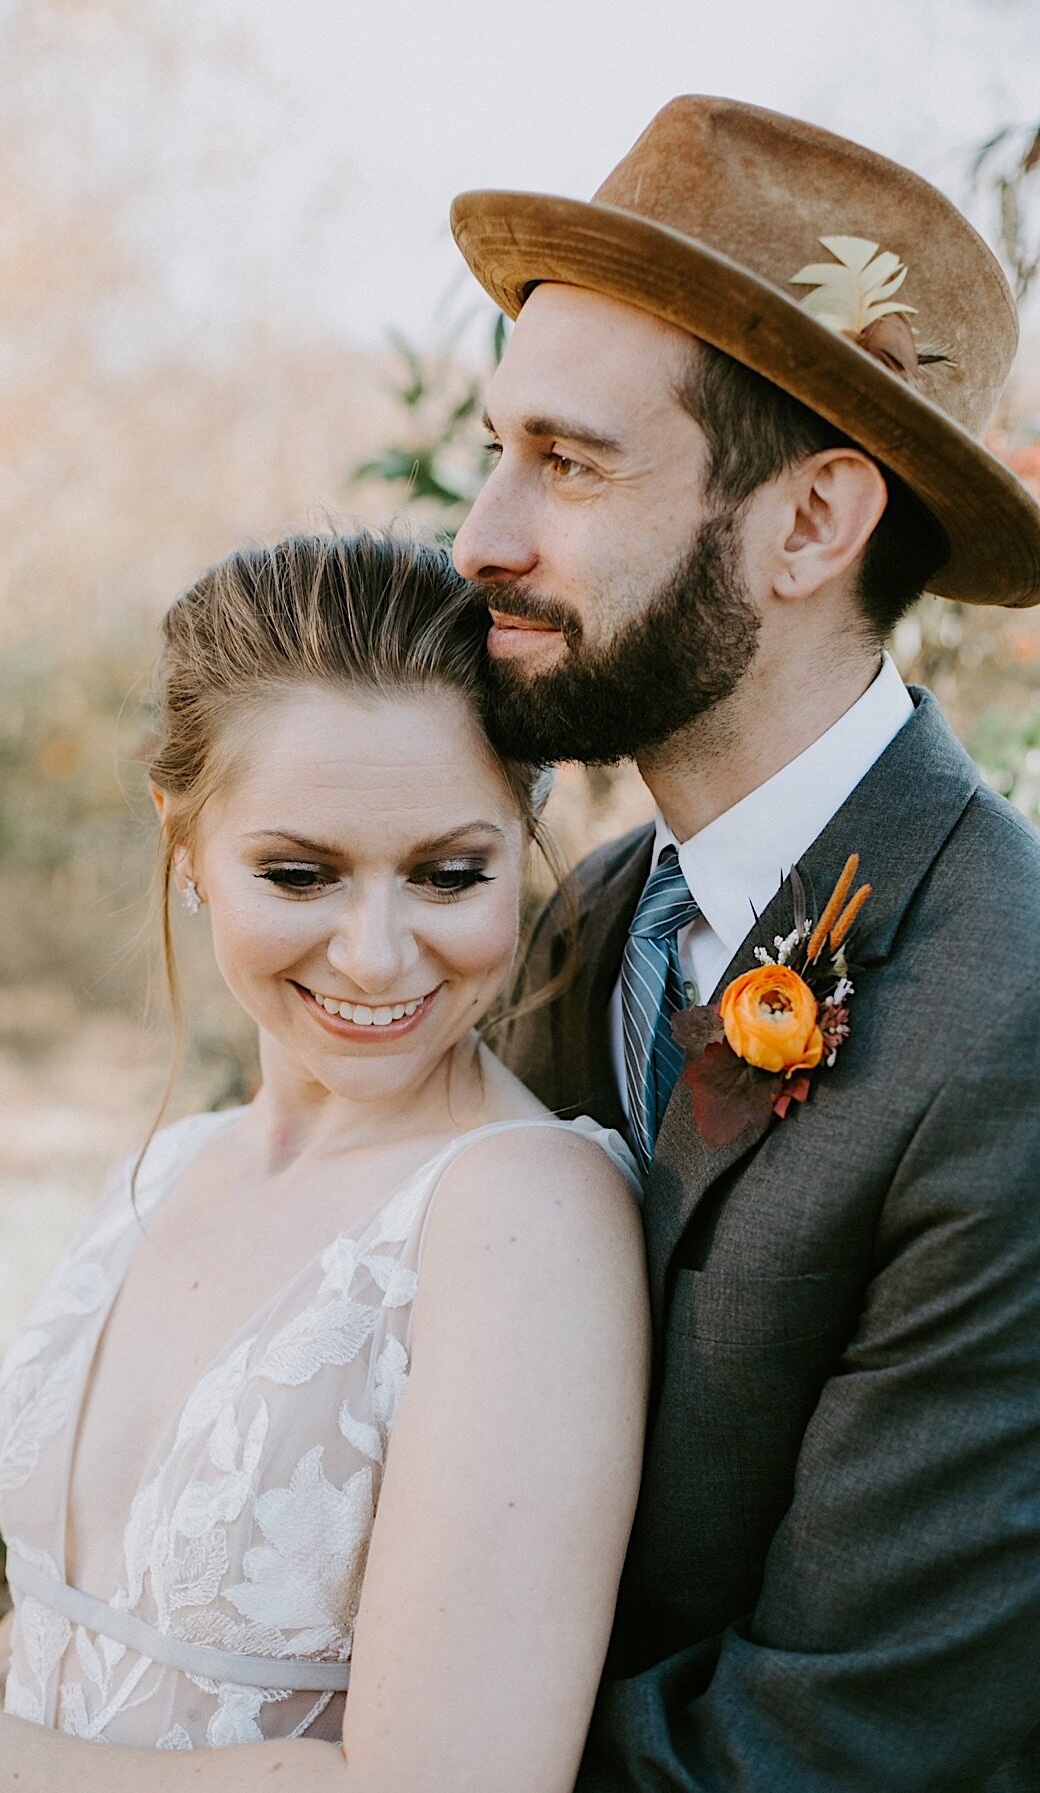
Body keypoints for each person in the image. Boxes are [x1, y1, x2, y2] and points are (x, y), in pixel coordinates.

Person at [448, 94, 1040, 1790]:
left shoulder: (1014, 1022)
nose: (483, 532)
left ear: (808, 527)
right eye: (501, 450)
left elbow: (848, 1744)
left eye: (565, 461)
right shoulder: (581, 926)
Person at [0, 530, 647, 1793]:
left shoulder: (518, 1215)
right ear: (185, 846)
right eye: (300, 872)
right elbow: (85, 1618)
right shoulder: (173, 1166)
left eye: (449, 874)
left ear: (523, 838)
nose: (379, 954)